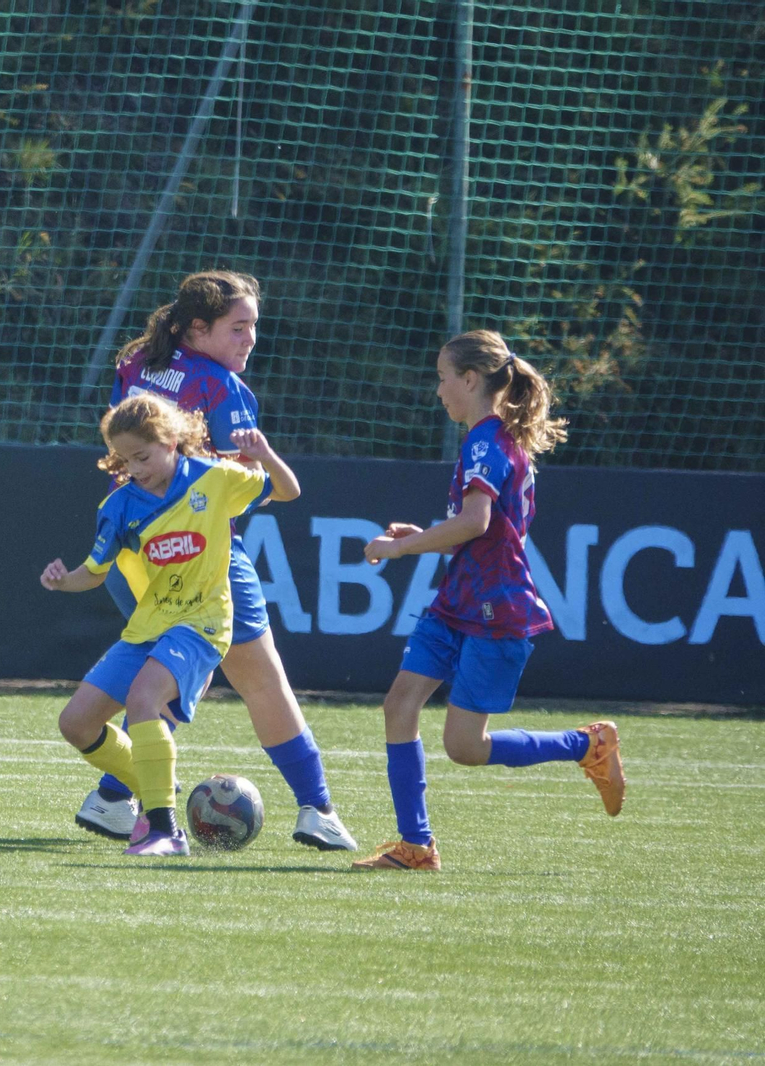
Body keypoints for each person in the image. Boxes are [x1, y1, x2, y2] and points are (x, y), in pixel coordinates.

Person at [73, 271, 358, 853]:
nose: (250, 338)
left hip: (137, 552)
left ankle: (113, 797)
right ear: (197, 329)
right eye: (238, 326)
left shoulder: (136, 362)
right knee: (260, 681)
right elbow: (242, 480)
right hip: (201, 553)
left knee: (158, 681)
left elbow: (124, 447)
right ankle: (316, 808)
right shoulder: (219, 383)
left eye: (253, 325)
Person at [352, 330, 624, 871]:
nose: (439, 390)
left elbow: (475, 522)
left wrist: (402, 546)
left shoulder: (484, 440)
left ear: (470, 379)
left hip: (496, 612)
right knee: (399, 704)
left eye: (443, 377)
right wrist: (431, 533)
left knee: (465, 747)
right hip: (459, 601)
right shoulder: (494, 439)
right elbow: (480, 529)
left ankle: (585, 746)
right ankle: (416, 844)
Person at [41, 392, 299, 856]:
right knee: (75, 723)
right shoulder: (119, 506)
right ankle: (157, 785)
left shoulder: (215, 478)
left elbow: (287, 490)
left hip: (202, 623)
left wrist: (265, 457)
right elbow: (93, 573)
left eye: (142, 456)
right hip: (150, 626)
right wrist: (63, 582)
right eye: (125, 459)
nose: (134, 468)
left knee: (144, 699)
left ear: (172, 440)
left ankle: (164, 830)